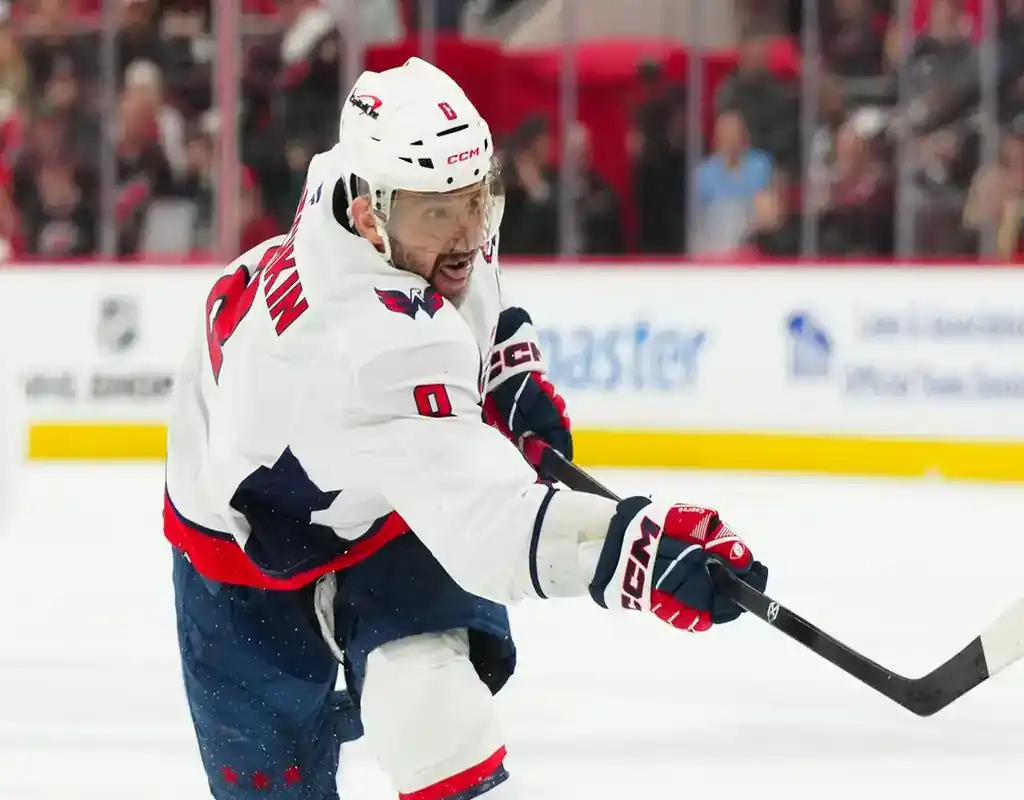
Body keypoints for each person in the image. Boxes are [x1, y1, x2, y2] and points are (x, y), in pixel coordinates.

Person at [163, 57, 769, 800]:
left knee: (433, 718)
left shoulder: (374, 193)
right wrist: (635, 550)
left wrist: (507, 365)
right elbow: (490, 529)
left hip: (379, 494)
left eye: (476, 197)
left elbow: (472, 270)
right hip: (242, 542)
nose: (468, 230)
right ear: (369, 217)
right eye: (439, 212)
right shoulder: (364, 347)